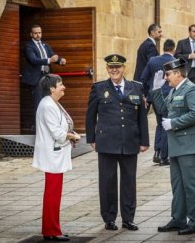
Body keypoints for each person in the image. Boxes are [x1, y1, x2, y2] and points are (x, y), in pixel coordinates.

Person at [85, 54, 150, 231]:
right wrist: (91, 138)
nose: (114, 70)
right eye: (111, 67)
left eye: (118, 67)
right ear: (107, 69)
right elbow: (90, 115)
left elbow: (142, 117)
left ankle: (128, 218)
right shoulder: (99, 88)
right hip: (106, 142)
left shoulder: (136, 87)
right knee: (107, 182)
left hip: (130, 141)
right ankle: (109, 218)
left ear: (124, 68)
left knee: (129, 182)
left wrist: (144, 141)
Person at [150, 58, 195, 235]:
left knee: (191, 185)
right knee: (178, 185)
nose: (166, 78)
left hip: (188, 145)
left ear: (178, 73)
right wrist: (157, 90)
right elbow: (162, 109)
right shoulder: (175, 91)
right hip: (176, 145)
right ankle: (179, 219)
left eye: (168, 74)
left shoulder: (191, 89)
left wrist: (174, 123)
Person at [32, 74, 81, 242]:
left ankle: (52, 229)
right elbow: (57, 133)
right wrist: (73, 137)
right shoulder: (48, 106)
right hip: (52, 156)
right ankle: (51, 230)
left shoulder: (52, 103)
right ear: (52, 88)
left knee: (54, 194)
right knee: (52, 194)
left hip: (55, 154)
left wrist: (70, 133)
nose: (63, 87)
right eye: (60, 84)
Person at [141, 39, 176, 166]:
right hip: (168, 96)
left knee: (159, 123)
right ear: (173, 49)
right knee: (166, 123)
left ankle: (157, 152)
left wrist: (145, 94)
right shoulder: (174, 61)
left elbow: (143, 78)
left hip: (154, 97)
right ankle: (164, 156)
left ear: (163, 48)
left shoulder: (153, 60)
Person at [21, 24, 67, 112]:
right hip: (36, 78)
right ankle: (37, 125)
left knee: (49, 101)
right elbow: (34, 60)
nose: (38, 35)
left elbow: (52, 56)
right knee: (38, 104)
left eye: (39, 33)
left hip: (47, 77)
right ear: (31, 34)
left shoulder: (45, 45)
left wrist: (60, 61)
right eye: (35, 33)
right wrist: (50, 60)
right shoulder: (28, 46)